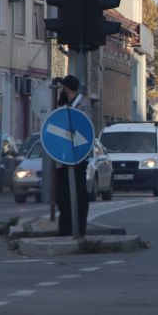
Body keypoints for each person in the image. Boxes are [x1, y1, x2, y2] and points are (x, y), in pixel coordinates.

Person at [55, 75, 92, 236]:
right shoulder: (64, 106)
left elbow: (79, 130)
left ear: (67, 88)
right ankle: (65, 227)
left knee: (78, 194)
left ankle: (78, 228)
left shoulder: (82, 104)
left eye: (62, 88)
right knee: (62, 195)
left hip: (78, 156)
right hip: (62, 158)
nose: (60, 92)